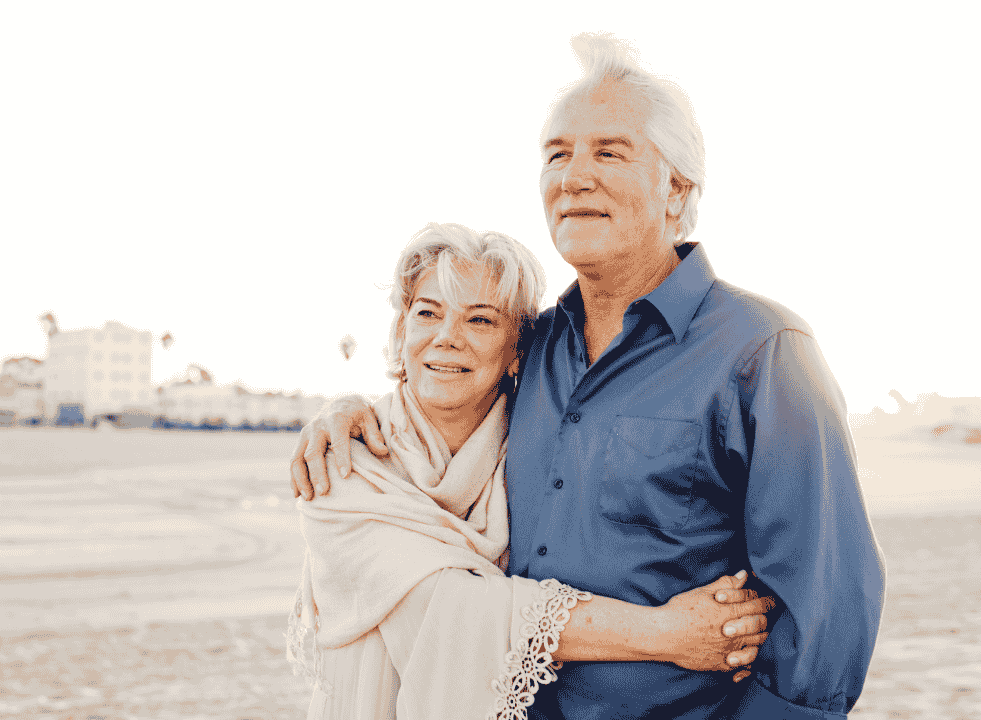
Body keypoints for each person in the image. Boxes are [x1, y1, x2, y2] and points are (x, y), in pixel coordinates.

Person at [290, 34, 885, 719]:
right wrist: (347, 411)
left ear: (678, 188)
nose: (574, 176)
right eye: (556, 154)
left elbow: (827, 608)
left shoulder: (765, 351)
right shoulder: (529, 346)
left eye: (609, 151)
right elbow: (436, 412)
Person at [287, 222, 775, 720]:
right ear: (400, 332)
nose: (446, 338)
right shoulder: (341, 466)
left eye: (479, 321)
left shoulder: (530, 443)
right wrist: (667, 634)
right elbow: (452, 608)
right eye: (427, 313)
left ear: (517, 349)